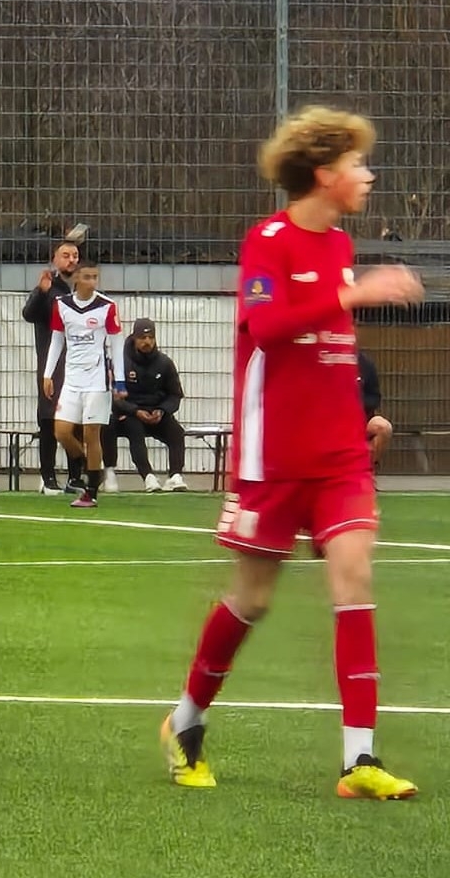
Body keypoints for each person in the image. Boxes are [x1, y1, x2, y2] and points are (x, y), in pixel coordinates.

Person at [160, 106, 424, 800]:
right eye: (358, 164)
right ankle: (186, 720)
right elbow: (269, 325)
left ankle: (359, 760)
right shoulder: (268, 242)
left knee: (353, 579)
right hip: (272, 458)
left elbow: (328, 346)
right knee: (253, 597)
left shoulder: (340, 244)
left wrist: (360, 414)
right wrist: (352, 293)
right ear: (325, 172)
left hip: (338, 456)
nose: (368, 176)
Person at [42, 259, 125, 509]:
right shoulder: (62, 305)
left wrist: (120, 380)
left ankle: (91, 491)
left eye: (95, 277)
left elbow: (117, 344)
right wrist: (48, 374)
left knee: (91, 433)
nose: (91, 282)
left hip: (96, 380)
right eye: (87, 277)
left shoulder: (107, 306)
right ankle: (90, 465)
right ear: (76, 278)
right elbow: (57, 340)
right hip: (71, 379)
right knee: (62, 431)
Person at [21, 239, 83, 493]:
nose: (71, 260)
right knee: (49, 422)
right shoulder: (49, 289)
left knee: (76, 423)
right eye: (65, 255)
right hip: (52, 369)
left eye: (75, 255)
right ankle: (47, 478)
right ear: (55, 259)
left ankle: (75, 478)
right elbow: (28, 314)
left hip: (80, 369)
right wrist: (40, 291)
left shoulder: (83, 290)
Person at [101, 317, 188, 493]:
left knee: (177, 432)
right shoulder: (120, 363)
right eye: (142, 338)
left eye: (151, 337)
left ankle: (175, 475)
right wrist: (134, 410)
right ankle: (147, 476)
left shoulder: (165, 363)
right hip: (129, 414)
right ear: (134, 338)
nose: (147, 341)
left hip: (155, 413)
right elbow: (112, 396)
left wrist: (162, 410)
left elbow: (175, 394)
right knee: (131, 428)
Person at [358, 350, 392, 464]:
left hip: (361, 420)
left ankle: (367, 466)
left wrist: (357, 405)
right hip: (332, 422)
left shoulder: (365, 363)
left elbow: (374, 397)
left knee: (383, 427)